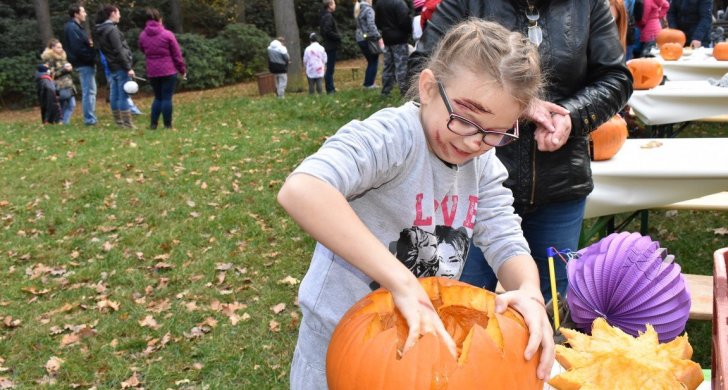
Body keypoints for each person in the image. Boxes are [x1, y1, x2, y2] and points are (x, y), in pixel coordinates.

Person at [279, 19, 554, 389]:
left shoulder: (482, 161)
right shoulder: (393, 137)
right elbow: (302, 189)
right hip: (341, 342)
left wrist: (530, 291)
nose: (475, 141)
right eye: (464, 119)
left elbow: (504, 235)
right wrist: (400, 281)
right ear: (428, 88)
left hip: (422, 342)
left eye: (495, 132)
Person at [409, 0, 633, 304]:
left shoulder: (588, 4)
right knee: (463, 300)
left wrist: (571, 115)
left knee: (551, 301)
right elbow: (425, 65)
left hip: (560, 183)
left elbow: (616, 78)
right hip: (474, 181)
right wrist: (514, 103)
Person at [139, 7, 187, 129]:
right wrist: (182, 70)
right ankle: (167, 125)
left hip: (152, 71)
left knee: (158, 97)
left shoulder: (143, 36)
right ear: (159, 19)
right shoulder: (167, 34)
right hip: (168, 70)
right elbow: (177, 54)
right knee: (166, 98)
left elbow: (143, 50)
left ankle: (153, 124)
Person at [94, 4, 136, 129]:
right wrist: (128, 67)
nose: (120, 15)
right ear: (112, 13)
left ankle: (119, 122)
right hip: (120, 66)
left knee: (114, 94)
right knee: (123, 95)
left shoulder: (100, 30)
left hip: (111, 66)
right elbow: (119, 50)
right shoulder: (112, 30)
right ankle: (127, 124)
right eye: (118, 13)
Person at [64, 4, 97, 126]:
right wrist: (91, 58)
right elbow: (78, 48)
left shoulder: (77, 27)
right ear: (76, 13)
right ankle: (89, 119)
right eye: (83, 11)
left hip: (86, 63)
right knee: (88, 92)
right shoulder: (72, 28)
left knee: (91, 91)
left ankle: (91, 118)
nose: (85, 14)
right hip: (84, 64)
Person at [374, 0, 412, 96]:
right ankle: (404, 91)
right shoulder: (399, 3)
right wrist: (408, 31)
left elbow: (377, 22)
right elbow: (405, 21)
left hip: (387, 37)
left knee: (388, 66)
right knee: (401, 66)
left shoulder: (379, 3)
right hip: (399, 38)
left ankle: (385, 91)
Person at [41, 39, 76, 125]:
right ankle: (62, 123)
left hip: (69, 85)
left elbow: (68, 72)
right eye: (58, 47)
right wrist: (64, 70)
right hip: (59, 86)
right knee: (63, 106)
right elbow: (52, 74)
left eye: (61, 47)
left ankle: (64, 123)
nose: (61, 49)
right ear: (52, 48)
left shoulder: (63, 58)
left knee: (72, 105)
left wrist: (70, 69)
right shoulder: (50, 60)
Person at [99, 51, 142, 115]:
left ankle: (125, 111)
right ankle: (131, 110)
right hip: (114, 71)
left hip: (112, 71)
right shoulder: (107, 48)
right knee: (122, 93)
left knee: (119, 93)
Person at [354, 0, 382, 89]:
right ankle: (369, 84)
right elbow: (371, 25)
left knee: (370, 61)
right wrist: (378, 36)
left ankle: (367, 83)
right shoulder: (368, 9)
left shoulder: (359, 8)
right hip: (368, 38)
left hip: (360, 38)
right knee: (374, 61)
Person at [319, 0, 341, 94]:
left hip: (328, 45)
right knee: (330, 69)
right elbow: (327, 31)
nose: (335, 5)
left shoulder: (324, 16)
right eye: (334, 3)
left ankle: (331, 87)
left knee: (330, 68)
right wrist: (338, 36)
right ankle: (330, 89)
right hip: (331, 45)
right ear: (329, 5)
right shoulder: (328, 16)